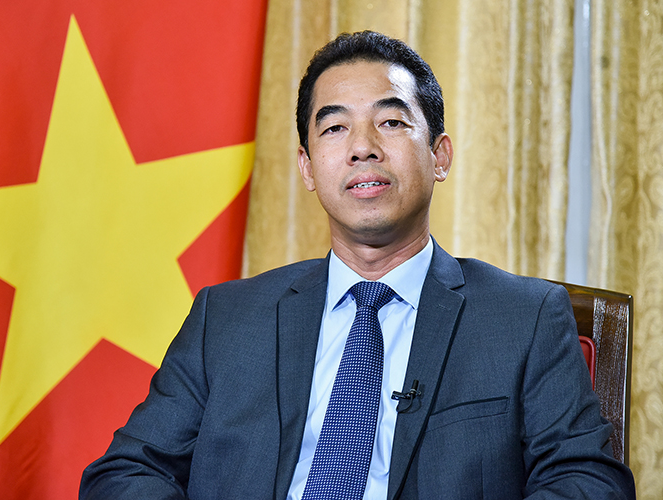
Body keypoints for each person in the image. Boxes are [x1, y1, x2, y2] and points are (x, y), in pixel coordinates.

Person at [80, 31, 635, 499]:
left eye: (390, 122)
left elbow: (589, 481)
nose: (362, 147)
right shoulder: (224, 319)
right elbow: (124, 474)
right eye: (334, 127)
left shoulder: (524, 317)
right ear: (307, 167)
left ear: (439, 155)